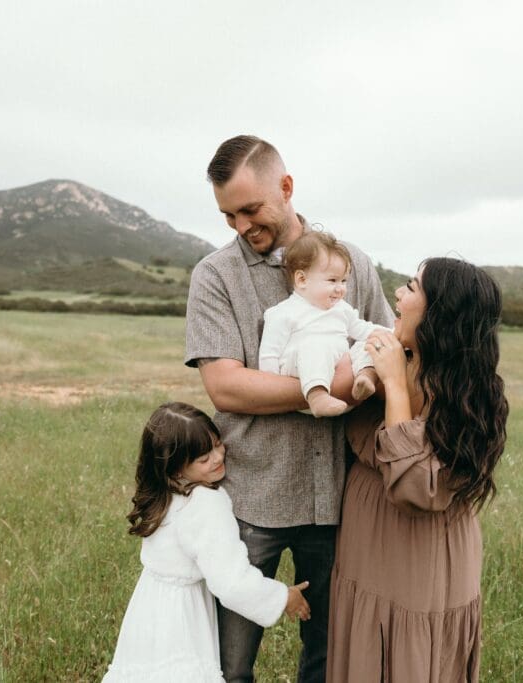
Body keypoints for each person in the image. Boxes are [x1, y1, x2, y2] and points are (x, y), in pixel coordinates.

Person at [185, 135, 393, 682]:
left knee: (328, 658)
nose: (240, 226)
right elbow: (226, 388)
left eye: (250, 210)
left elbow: (386, 356)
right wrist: (325, 386)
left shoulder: (354, 265)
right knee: (229, 663)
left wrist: (347, 379)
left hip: (340, 498)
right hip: (251, 498)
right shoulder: (214, 276)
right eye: (228, 215)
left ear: (286, 187)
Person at [326, 258, 509, 683]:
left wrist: (393, 385)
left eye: (410, 287)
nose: (398, 294)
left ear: (438, 313)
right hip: (369, 544)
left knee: (410, 658)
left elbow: (414, 487)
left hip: (416, 555)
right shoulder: (397, 356)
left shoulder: (468, 392)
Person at [102, 402, 311, 683]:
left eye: (217, 444)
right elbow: (231, 582)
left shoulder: (163, 494)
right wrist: (282, 597)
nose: (217, 458)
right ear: (176, 468)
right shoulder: (205, 503)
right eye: (203, 458)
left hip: (150, 611)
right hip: (182, 619)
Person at [259, 230, 387, 417]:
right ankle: (317, 395)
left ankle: (365, 376)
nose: (341, 288)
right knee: (315, 345)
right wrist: (272, 386)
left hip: (339, 371)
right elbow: (269, 354)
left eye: (344, 281)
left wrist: (390, 334)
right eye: (332, 280)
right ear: (302, 280)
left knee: (368, 344)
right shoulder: (283, 313)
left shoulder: (341, 308)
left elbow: (361, 329)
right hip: (301, 372)